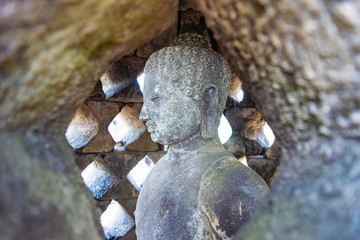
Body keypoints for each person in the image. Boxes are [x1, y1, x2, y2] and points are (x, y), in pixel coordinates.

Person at [134, 33, 269, 240]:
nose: (144, 114)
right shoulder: (158, 170)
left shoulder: (236, 188)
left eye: (156, 98)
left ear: (208, 99)